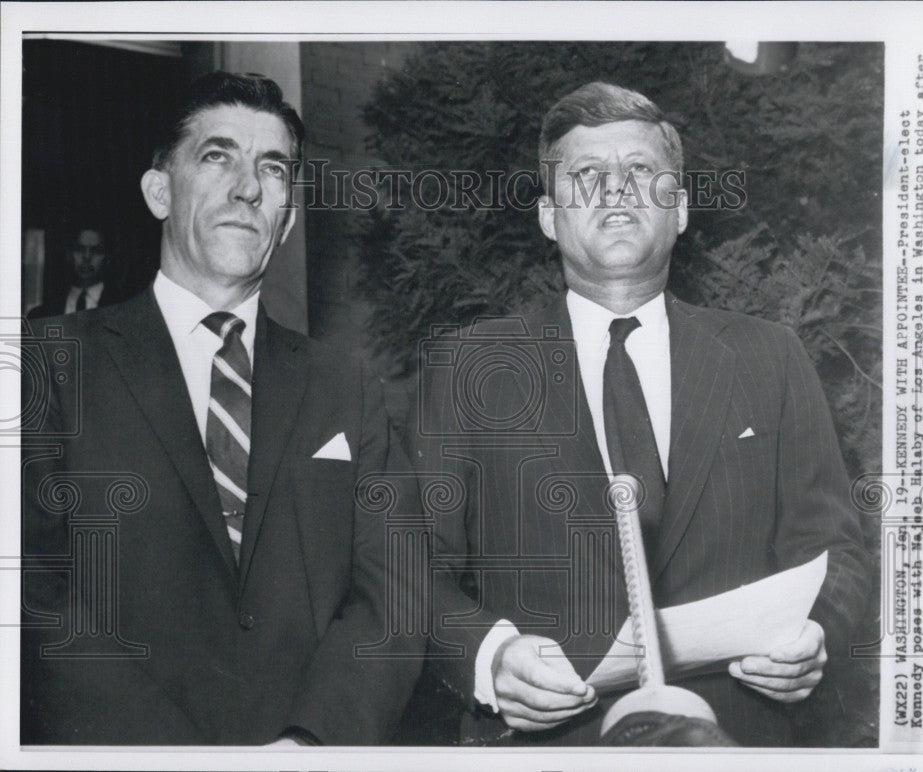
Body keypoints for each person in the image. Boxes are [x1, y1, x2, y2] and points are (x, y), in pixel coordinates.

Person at [413, 82, 871, 746]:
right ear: (548, 215)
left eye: (640, 172)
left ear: (680, 209)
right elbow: (411, 568)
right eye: (587, 175)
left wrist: (816, 634)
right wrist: (488, 657)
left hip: (736, 741)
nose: (616, 190)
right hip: (543, 748)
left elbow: (837, 549)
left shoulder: (769, 356)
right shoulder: (467, 367)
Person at [21, 71, 423, 745]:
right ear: (158, 191)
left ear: (288, 217)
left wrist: (312, 741)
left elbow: (394, 598)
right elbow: (28, 591)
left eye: (272, 169)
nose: (247, 187)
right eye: (217, 157)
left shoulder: (346, 387)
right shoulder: (49, 363)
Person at [27, 227, 125, 318]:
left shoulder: (123, 310)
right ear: (68, 255)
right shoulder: (40, 315)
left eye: (95, 251)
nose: (87, 257)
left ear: (107, 258)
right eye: (79, 249)